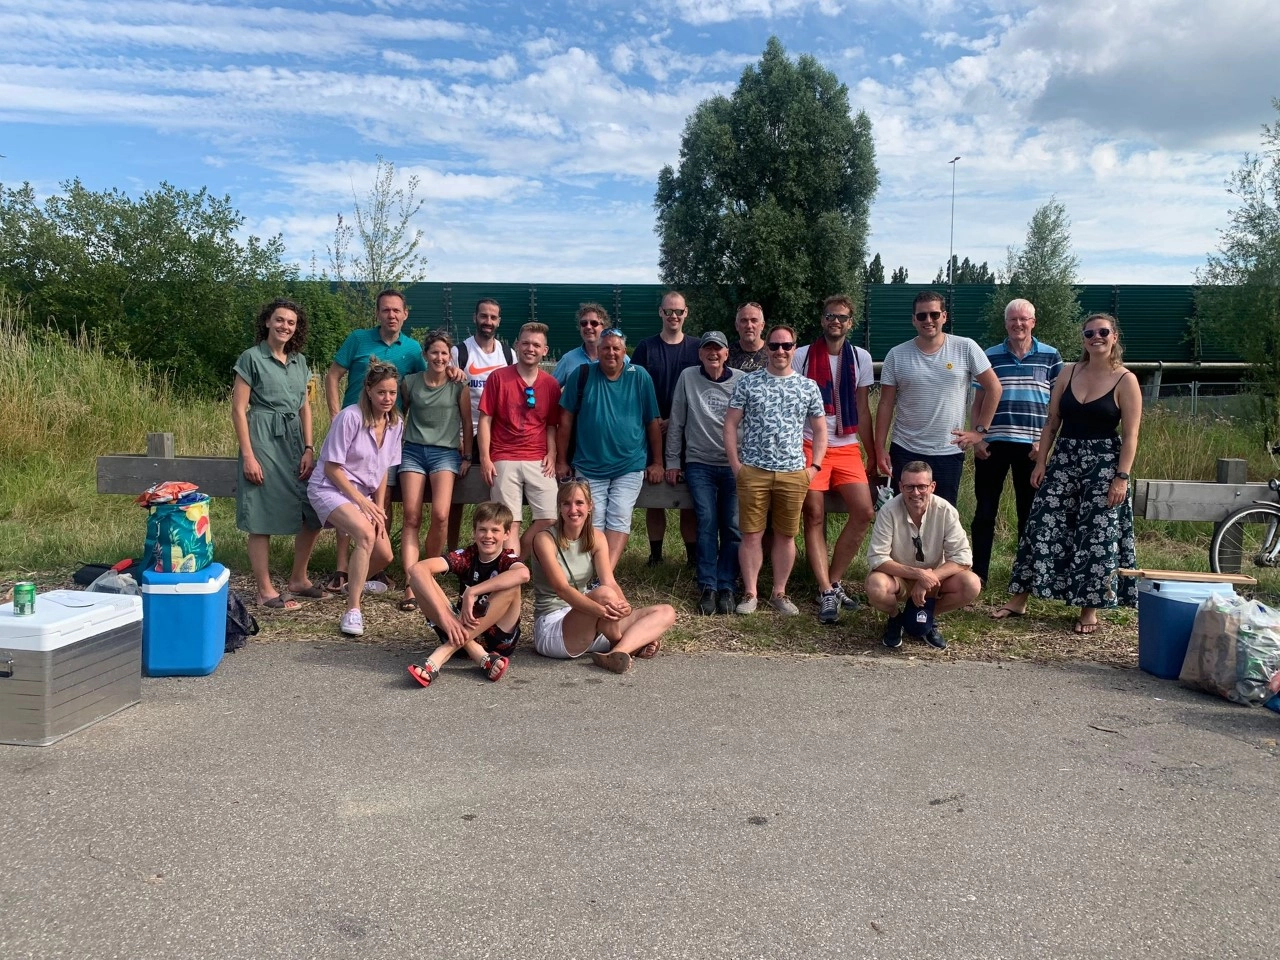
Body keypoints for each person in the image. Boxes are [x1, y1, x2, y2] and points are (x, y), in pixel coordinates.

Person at [1002, 313, 1142, 634]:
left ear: (1114, 336)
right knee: (1041, 523)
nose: (1096, 337)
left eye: (1103, 332)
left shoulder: (1126, 380)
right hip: (1064, 458)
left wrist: (1121, 477)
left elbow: (1131, 435)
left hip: (1104, 464)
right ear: (1083, 339)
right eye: (1089, 333)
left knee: (1097, 534)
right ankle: (1020, 598)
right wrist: (1041, 462)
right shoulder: (1068, 372)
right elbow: (1052, 421)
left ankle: (1088, 608)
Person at [323, 289, 425, 594]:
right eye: (385, 310)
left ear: (406, 314)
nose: (391, 315)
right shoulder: (358, 339)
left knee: (382, 498)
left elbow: (424, 384)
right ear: (377, 313)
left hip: (385, 434)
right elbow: (332, 376)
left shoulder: (413, 349)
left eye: (397, 310)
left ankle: (373, 567)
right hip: (352, 431)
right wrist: (334, 414)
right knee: (346, 497)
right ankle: (342, 568)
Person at [723, 324, 827, 616]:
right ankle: (751, 592)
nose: (780, 351)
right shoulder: (748, 383)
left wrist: (814, 467)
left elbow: (820, 431)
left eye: (786, 346)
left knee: (785, 535)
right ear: (766, 348)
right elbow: (730, 424)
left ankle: (780, 592)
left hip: (794, 472)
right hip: (753, 470)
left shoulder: (807, 386)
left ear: (795, 348)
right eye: (774, 346)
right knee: (751, 534)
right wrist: (736, 465)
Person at [230, 298, 326, 609]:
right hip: (263, 439)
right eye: (280, 320)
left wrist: (309, 447)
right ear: (268, 322)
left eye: (291, 322)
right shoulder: (251, 358)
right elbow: (239, 409)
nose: (285, 326)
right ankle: (264, 589)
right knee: (261, 513)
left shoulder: (300, 361)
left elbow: (304, 407)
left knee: (313, 509)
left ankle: (299, 578)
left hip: (295, 442)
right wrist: (248, 455)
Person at [530, 481, 676, 674]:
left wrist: (624, 608)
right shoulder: (545, 539)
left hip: (592, 619)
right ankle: (628, 644)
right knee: (603, 595)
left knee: (666, 611)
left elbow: (610, 582)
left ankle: (618, 652)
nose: (573, 509)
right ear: (559, 508)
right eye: (566, 503)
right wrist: (602, 611)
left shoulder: (597, 537)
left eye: (579, 503)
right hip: (554, 627)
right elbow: (562, 589)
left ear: (590, 506)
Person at [874, 290, 1003, 506]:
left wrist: (979, 431)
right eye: (922, 316)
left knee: (943, 518)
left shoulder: (966, 347)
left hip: (948, 451)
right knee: (903, 517)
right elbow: (885, 403)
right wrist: (880, 449)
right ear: (913, 319)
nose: (928, 320)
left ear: (944, 316)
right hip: (905, 449)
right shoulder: (896, 354)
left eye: (934, 314)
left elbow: (994, 388)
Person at [794, 295, 877, 625]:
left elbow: (862, 409)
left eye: (842, 317)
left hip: (846, 445)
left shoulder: (861, 358)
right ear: (822, 320)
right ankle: (825, 589)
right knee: (813, 512)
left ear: (850, 323)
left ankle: (834, 580)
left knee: (864, 511)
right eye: (830, 316)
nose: (835, 322)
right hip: (808, 444)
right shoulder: (801, 356)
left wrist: (873, 453)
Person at [308, 360, 404, 637]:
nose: (387, 399)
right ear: (369, 391)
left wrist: (379, 507)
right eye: (382, 393)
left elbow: (384, 470)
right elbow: (331, 467)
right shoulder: (349, 417)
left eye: (392, 393)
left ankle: (353, 583)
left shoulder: (395, 423)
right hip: (329, 487)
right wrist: (362, 504)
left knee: (385, 555)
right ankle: (353, 609)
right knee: (364, 535)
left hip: (364, 494)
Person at [971, 299, 1063, 587]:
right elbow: (978, 401)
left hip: (1032, 447)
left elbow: (1057, 406)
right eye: (1013, 319)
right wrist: (978, 437)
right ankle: (978, 574)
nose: (1018, 324)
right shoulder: (990, 356)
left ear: (1033, 322)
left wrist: (1044, 445)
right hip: (994, 443)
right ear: (1006, 323)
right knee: (985, 511)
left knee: (1030, 512)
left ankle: (1025, 577)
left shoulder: (1050, 356)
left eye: (1024, 319)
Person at [556, 327, 663, 568]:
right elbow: (565, 421)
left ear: (625, 352)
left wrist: (657, 462)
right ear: (598, 351)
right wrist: (561, 460)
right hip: (589, 464)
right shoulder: (582, 374)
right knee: (593, 519)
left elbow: (652, 422)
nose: (611, 353)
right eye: (606, 348)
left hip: (630, 464)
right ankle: (592, 570)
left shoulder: (640, 376)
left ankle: (606, 574)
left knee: (620, 516)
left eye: (616, 348)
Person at [405, 501, 528, 688]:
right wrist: (445, 618)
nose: (488, 536)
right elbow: (417, 569)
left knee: (512, 584)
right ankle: (480, 656)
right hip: (456, 629)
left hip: (497, 642)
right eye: (482, 530)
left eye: (495, 530)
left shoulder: (507, 558)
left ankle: (441, 655)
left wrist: (473, 591)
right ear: (474, 532)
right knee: (417, 579)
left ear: (506, 534)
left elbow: (523, 574)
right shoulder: (467, 556)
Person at [864, 461, 981, 651]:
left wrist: (929, 578)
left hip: (935, 580)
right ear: (901, 486)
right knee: (875, 585)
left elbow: (963, 558)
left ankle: (925, 616)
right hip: (898, 577)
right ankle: (896, 618)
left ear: (932, 486)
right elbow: (877, 558)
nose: (916, 492)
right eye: (909, 486)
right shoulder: (888, 511)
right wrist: (918, 575)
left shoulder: (946, 510)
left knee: (971, 584)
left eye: (922, 486)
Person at [665, 330, 743, 615]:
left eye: (718, 349)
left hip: (734, 463)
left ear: (726, 353)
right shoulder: (688, 377)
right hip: (699, 463)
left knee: (733, 526)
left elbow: (751, 421)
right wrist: (673, 461)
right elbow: (677, 421)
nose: (713, 354)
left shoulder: (741, 381)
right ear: (700, 354)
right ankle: (707, 585)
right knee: (707, 521)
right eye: (707, 349)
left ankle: (727, 585)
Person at [397, 330, 471, 613]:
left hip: (445, 453)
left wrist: (467, 456)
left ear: (449, 356)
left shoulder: (458, 385)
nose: (439, 357)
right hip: (413, 451)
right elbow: (399, 416)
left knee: (441, 514)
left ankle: (429, 572)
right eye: (434, 352)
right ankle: (410, 582)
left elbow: (467, 421)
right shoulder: (410, 383)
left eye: (444, 353)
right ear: (425, 355)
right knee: (412, 516)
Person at [478, 322, 562, 557]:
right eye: (525, 343)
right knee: (509, 522)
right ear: (516, 346)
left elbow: (551, 425)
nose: (530, 348)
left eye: (536, 345)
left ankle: (513, 565)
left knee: (549, 518)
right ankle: (510, 576)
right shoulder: (498, 378)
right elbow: (485, 420)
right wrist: (485, 458)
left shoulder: (550, 384)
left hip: (538, 458)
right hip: (503, 456)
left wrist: (552, 453)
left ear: (545, 350)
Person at [632, 290, 701, 567]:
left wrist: (675, 420)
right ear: (660, 312)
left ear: (686, 314)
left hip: (689, 432)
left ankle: (693, 557)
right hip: (652, 430)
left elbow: (702, 391)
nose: (674, 316)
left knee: (688, 496)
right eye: (668, 311)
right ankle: (656, 555)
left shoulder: (697, 348)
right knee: (655, 494)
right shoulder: (646, 348)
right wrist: (653, 421)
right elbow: (634, 389)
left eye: (679, 312)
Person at [448, 298, 515, 550]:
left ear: (499, 321)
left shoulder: (508, 353)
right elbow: (449, 395)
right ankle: (452, 549)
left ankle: (492, 549)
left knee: (495, 492)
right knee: (457, 497)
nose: (488, 322)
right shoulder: (459, 352)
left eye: (493, 317)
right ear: (475, 318)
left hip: (496, 434)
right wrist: (458, 437)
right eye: (483, 316)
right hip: (464, 432)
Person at [552, 302, 630, 385]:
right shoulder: (568, 360)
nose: (588, 327)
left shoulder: (622, 359)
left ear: (604, 327)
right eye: (584, 323)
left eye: (594, 323)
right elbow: (550, 389)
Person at [728, 301, 768, 373]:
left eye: (754, 320)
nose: (749, 326)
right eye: (744, 321)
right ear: (737, 326)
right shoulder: (726, 354)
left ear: (762, 325)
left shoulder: (773, 352)